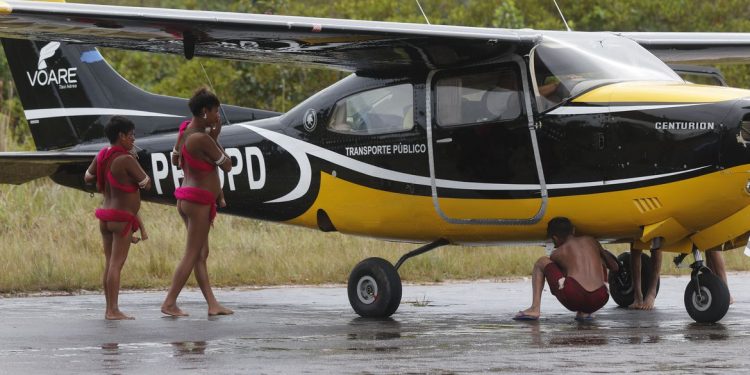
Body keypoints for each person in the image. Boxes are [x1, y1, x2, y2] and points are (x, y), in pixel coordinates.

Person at [161, 87, 234, 317]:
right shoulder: (202, 138)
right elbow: (227, 165)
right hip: (198, 201)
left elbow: (175, 159)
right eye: (215, 111)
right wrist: (216, 137)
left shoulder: (184, 132)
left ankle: (212, 304)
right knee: (192, 254)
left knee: (201, 254)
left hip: (187, 198)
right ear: (204, 112)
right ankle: (169, 302)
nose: (217, 117)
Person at [84, 116, 151, 320]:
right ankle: (113, 310)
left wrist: (104, 177)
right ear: (121, 136)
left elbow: (88, 177)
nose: (133, 139)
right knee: (116, 264)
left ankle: (109, 309)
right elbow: (146, 183)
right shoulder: (126, 159)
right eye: (131, 136)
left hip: (105, 216)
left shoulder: (102, 154)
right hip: (121, 218)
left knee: (109, 263)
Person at [514, 217, 619, 321]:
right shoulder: (592, 241)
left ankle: (535, 308)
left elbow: (558, 283)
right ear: (573, 230)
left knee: (542, 262)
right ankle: (585, 312)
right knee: (598, 258)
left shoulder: (557, 253)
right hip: (600, 298)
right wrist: (601, 253)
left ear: (555, 238)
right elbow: (614, 267)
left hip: (575, 296)